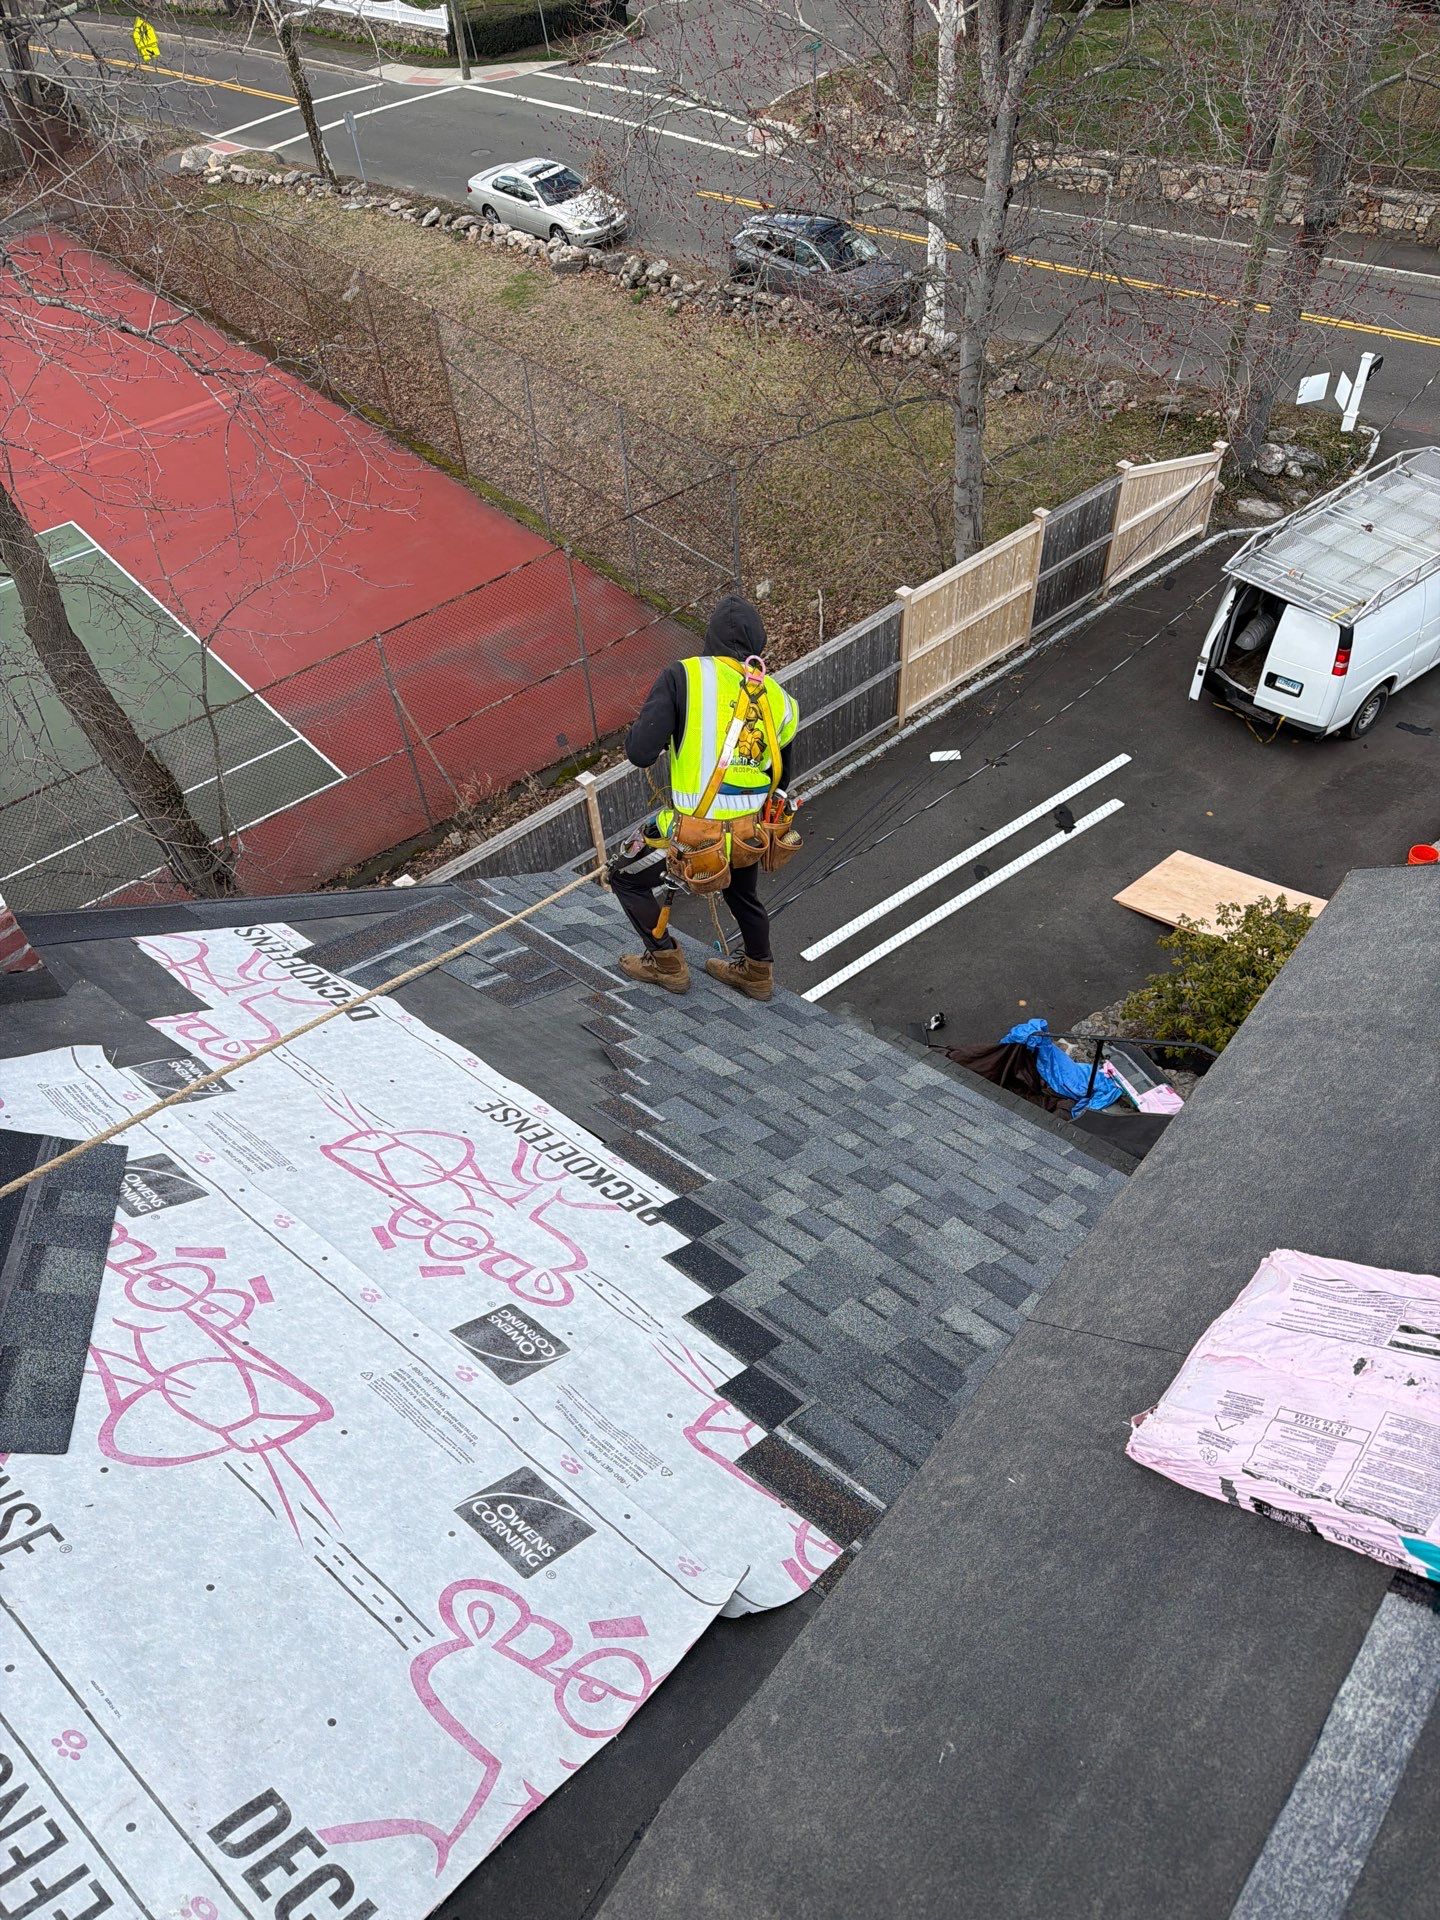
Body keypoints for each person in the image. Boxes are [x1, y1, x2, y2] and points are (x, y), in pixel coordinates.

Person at [610, 594, 799, 1002]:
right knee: (742, 893)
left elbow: (641, 752)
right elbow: (783, 773)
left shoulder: (684, 677)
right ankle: (757, 972)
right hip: (748, 831)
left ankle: (665, 962)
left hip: (692, 833)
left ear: (711, 637)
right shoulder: (779, 699)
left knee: (624, 877)